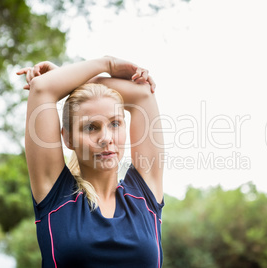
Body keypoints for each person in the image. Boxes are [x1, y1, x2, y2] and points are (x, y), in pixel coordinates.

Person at [16, 56, 164, 268]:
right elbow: (42, 88)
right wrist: (107, 64)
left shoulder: (144, 196)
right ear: (67, 138)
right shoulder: (56, 197)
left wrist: (77, 81)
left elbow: (143, 94)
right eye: (91, 127)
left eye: (115, 123)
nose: (106, 138)